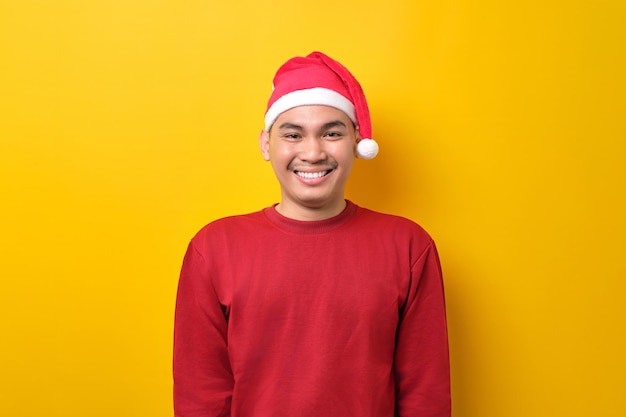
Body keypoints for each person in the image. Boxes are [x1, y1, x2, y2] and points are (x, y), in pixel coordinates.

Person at [173, 51, 451, 417]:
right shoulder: (213, 248)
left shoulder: (409, 246)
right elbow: (200, 395)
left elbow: (425, 393)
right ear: (265, 144)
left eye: (331, 133)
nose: (313, 152)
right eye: (293, 134)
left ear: (355, 140)